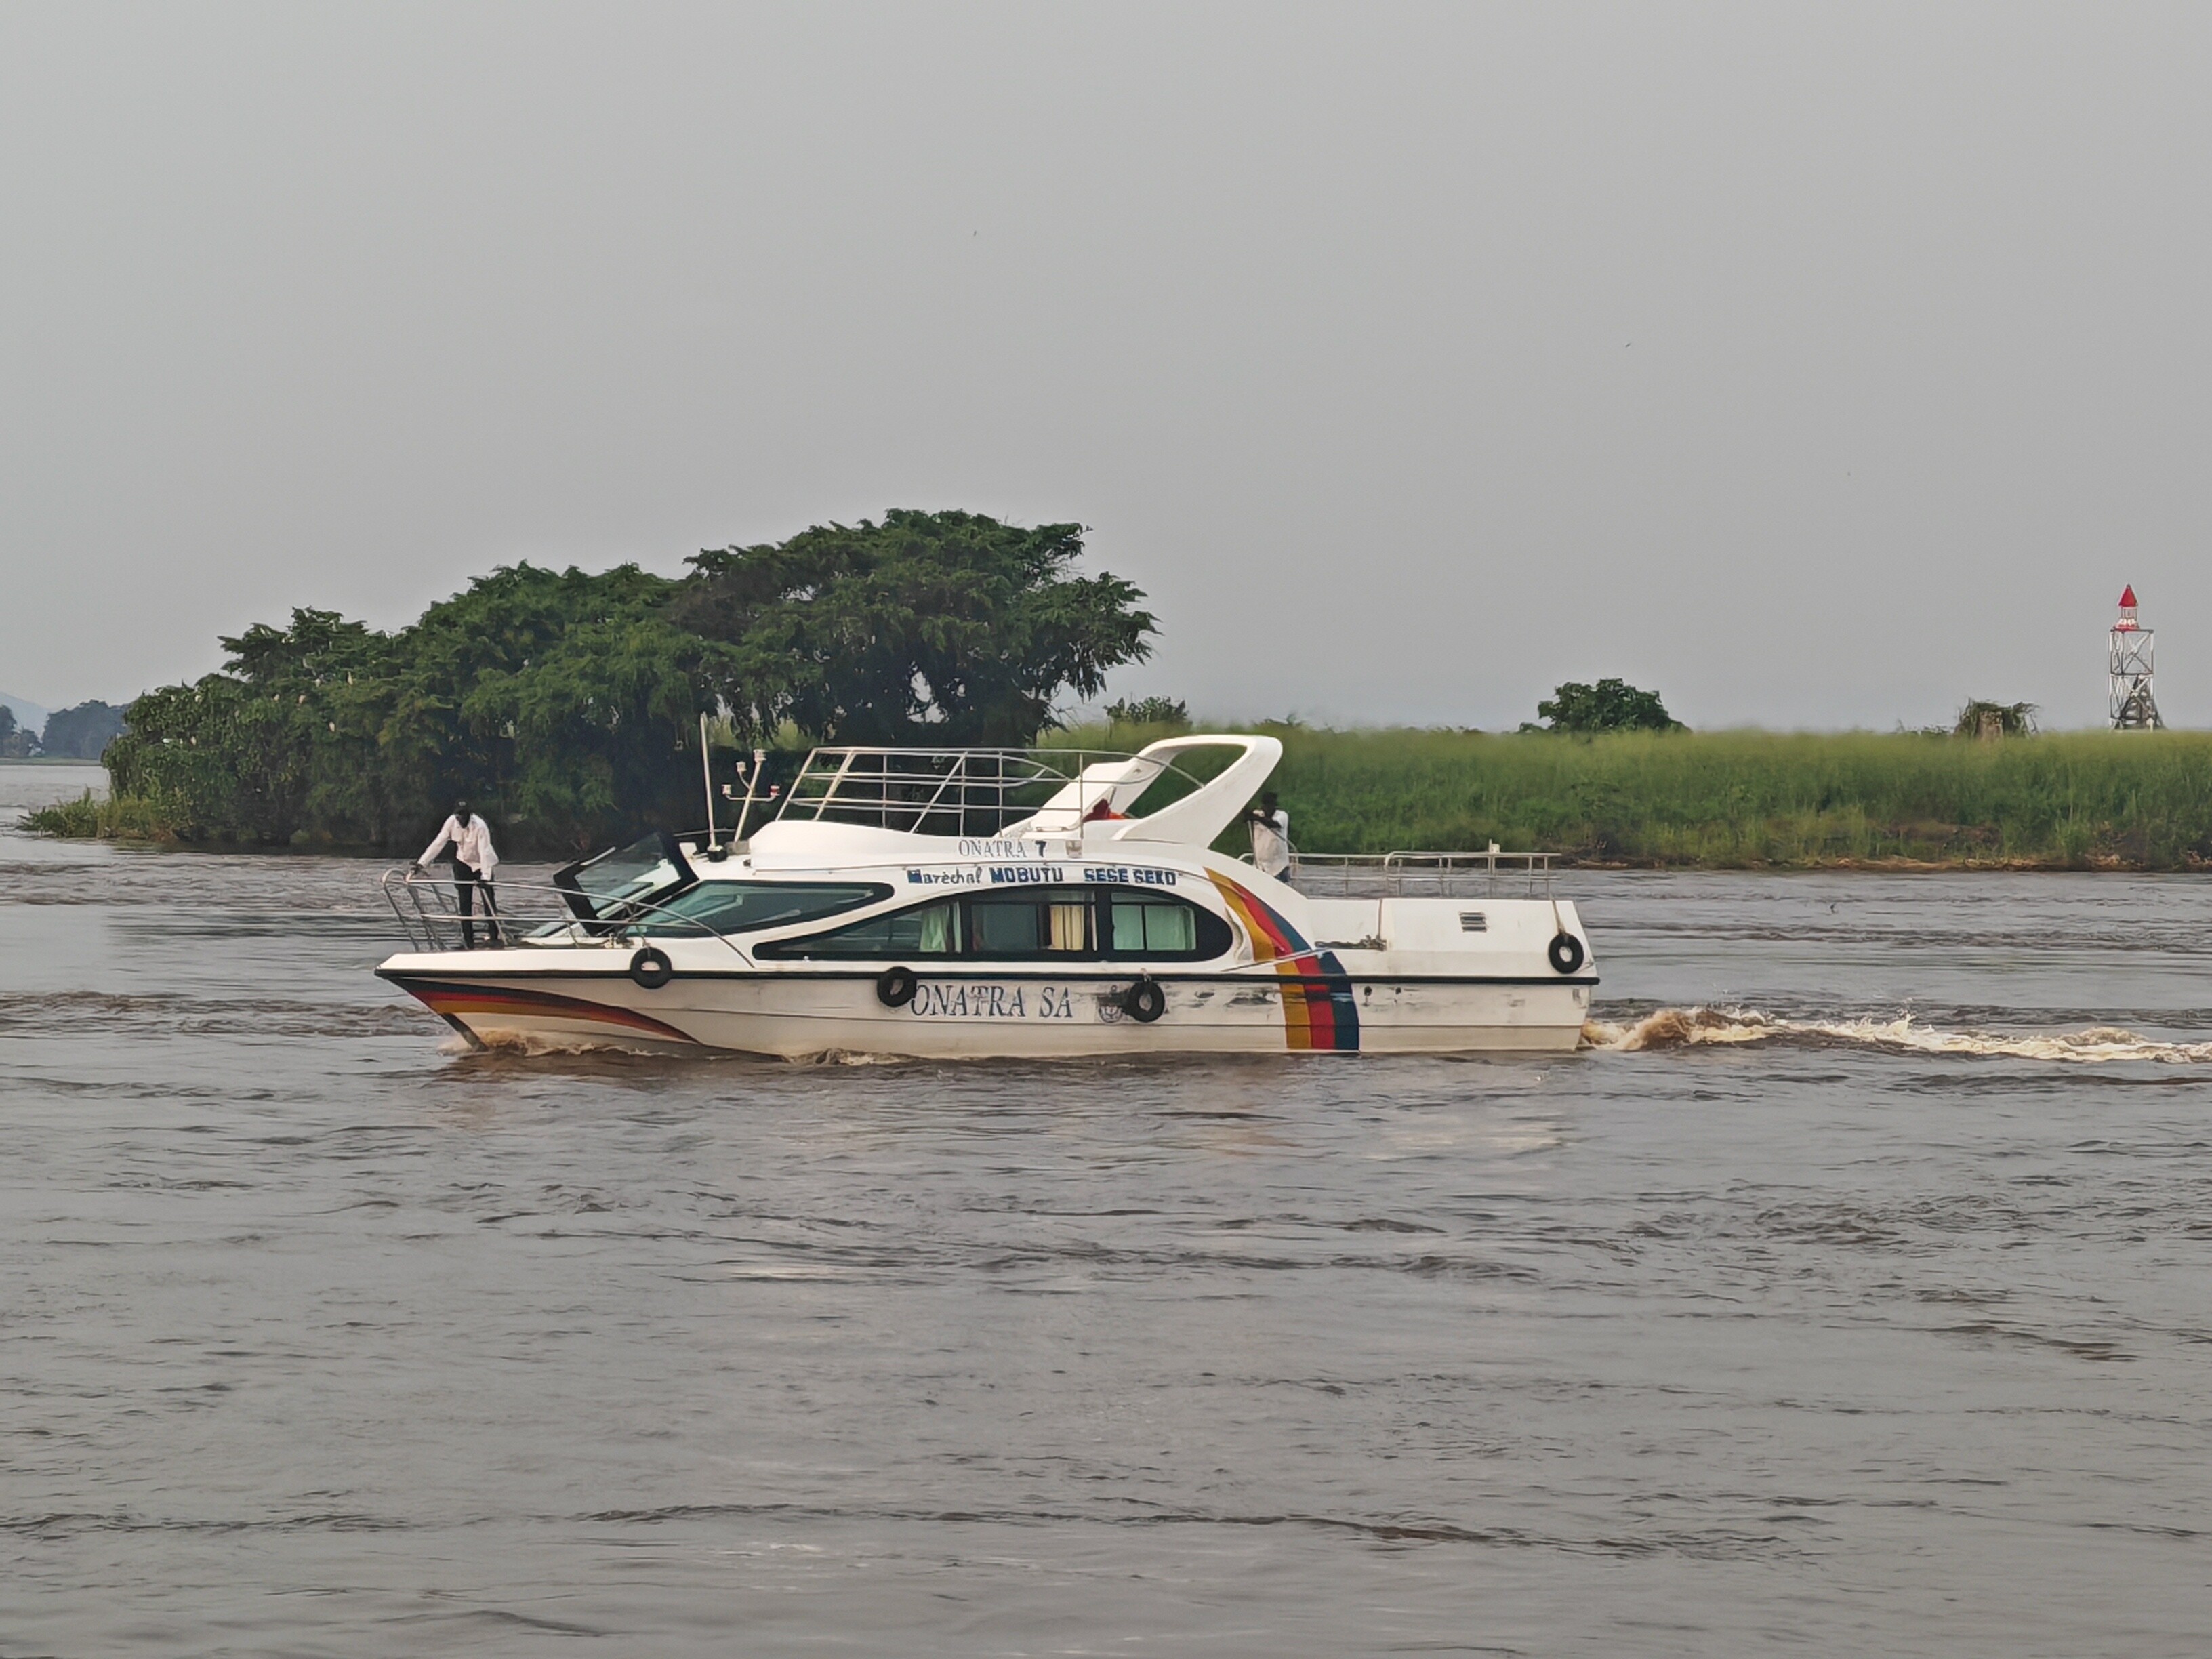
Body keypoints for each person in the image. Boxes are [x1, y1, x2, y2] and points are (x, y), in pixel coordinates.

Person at [419, 798, 502, 947]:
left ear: (470, 814)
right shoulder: (451, 822)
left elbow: (484, 851)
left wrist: (485, 876)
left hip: (481, 864)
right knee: (465, 902)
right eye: (459, 815)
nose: (461, 819)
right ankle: (468, 940)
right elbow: (439, 843)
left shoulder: (480, 826)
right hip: (463, 861)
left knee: (488, 900)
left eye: (464, 815)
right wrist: (422, 863)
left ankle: (494, 936)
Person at [1244, 790, 1292, 883]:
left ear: (1275, 806)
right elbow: (1245, 818)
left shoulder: (1282, 816)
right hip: (1260, 867)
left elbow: (1275, 825)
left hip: (1279, 867)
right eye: (1265, 806)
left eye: (1270, 806)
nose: (1267, 808)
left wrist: (1257, 818)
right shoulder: (1258, 815)